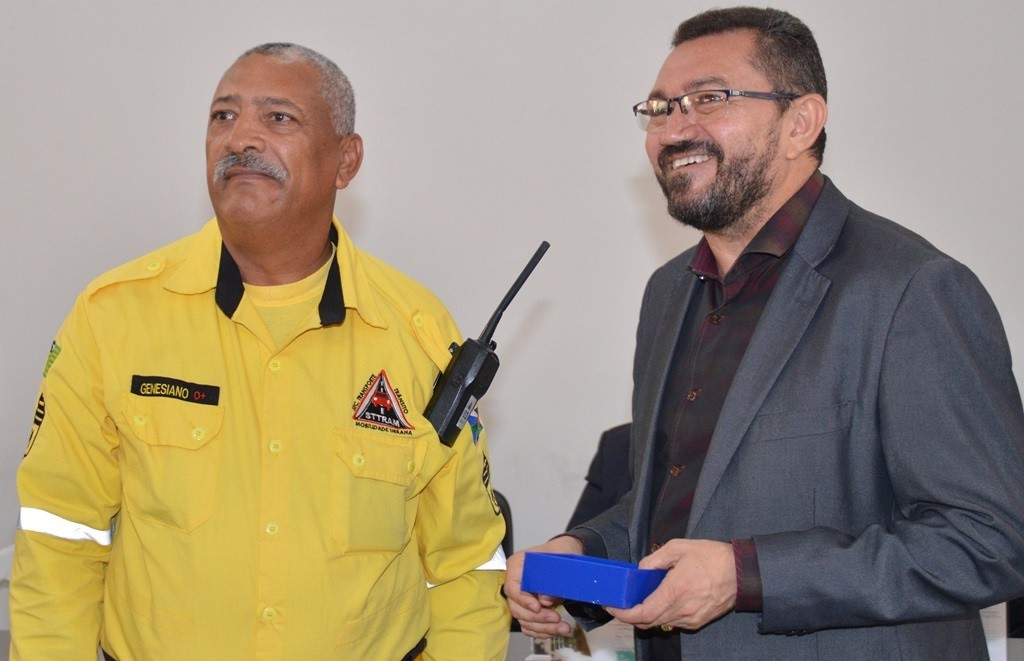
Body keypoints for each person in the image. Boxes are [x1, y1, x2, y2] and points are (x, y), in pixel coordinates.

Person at [505, 7, 1024, 659]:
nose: (674, 127)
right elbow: (674, 503)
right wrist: (581, 552)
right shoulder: (669, 292)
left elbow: (993, 540)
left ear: (800, 123)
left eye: (709, 98)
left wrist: (748, 576)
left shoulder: (912, 289)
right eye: (661, 107)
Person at [10, 43, 508, 660]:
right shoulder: (113, 315)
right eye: (224, 116)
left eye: (278, 118)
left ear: (345, 161)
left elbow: (467, 562)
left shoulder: (418, 331)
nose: (241, 137)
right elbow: (60, 535)